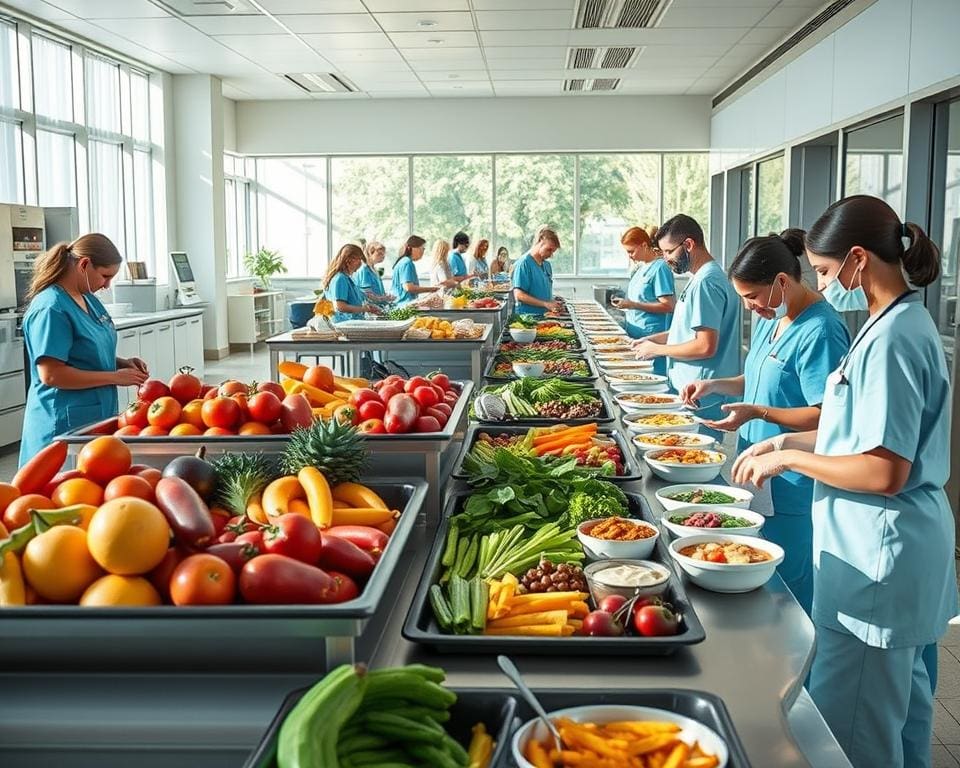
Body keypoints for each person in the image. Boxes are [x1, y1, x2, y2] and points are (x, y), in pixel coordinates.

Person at [732, 196, 957, 768]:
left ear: (858, 260)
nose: (826, 284)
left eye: (828, 272)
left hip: (879, 555)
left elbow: (883, 469)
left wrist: (792, 462)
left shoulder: (894, 339)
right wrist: (783, 439)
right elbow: (853, 435)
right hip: (893, 551)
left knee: (851, 733)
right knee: (901, 718)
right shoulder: (891, 323)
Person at [681, 230, 849, 614]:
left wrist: (758, 412)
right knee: (754, 570)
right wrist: (716, 384)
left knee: (788, 586)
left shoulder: (820, 331)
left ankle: (796, 665)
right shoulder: (773, 318)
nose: (751, 307)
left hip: (791, 480)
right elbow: (757, 376)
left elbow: (826, 416)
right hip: (755, 467)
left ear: (782, 282)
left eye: (752, 297)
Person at [20, 234, 149, 467]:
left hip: (94, 417)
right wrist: (114, 377)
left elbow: (85, 350)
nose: (107, 285)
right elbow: (51, 374)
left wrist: (121, 363)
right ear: (84, 264)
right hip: (61, 425)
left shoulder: (88, 298)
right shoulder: (51, 308)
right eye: (105, 276)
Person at [631, 214, 740, 437]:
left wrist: (657, 350)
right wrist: (653, 340)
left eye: (669, 252)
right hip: (691, 392)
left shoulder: (706, 283)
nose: (665, 259)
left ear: (688, 244)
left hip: (700, 395)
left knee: (694, 458)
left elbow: (704, 346)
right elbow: (686, 331)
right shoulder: (699, 278)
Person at [611, 226, 675, 376]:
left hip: (653, 336)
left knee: (654, 380)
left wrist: (633, 305)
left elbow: (669, 305)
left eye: (631, 251)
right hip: (636, 333)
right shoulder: (641, 269)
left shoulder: (660, 268)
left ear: (644, 245)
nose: (630, 256)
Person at [324, 244, 381, 323]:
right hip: (345, 324)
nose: (360, 264)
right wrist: (365, 309)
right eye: (359, 259)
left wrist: (369, 304)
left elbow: (355, 297)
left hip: (352, 323)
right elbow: (340, 307)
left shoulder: (348, 278)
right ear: (349, 260)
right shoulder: (340, 278)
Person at [512, 227, 561, 315]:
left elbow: (542, 292)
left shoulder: (546, 265)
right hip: (528, 320)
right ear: (540, 241)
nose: (551, 255)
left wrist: (553, 302)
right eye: (549, 250)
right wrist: (545, 304)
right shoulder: (524, 263)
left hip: (545, 318)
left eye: (553, 251)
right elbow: (518, 295)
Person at [391, 235, 437, 305]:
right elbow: (409, 287)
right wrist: (432, 289)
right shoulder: (407, 262)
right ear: (413, 248)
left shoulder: (403, 261)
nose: (423, 252)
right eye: (422, 248)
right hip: (404, 306)